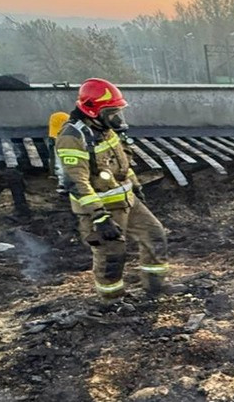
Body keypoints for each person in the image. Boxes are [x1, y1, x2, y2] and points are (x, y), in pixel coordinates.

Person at [56, 78, 169, 300]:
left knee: (155, 236)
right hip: (102, 209)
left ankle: (155, 288)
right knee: (111, 256)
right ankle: (112, 301)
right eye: (112, 112)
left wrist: (135, 186)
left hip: (126, 201)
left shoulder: (105, 130)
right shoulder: (72, 137)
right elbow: (76, 181)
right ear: (93, 111)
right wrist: (99, 216)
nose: (117, 117)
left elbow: (120, 164)